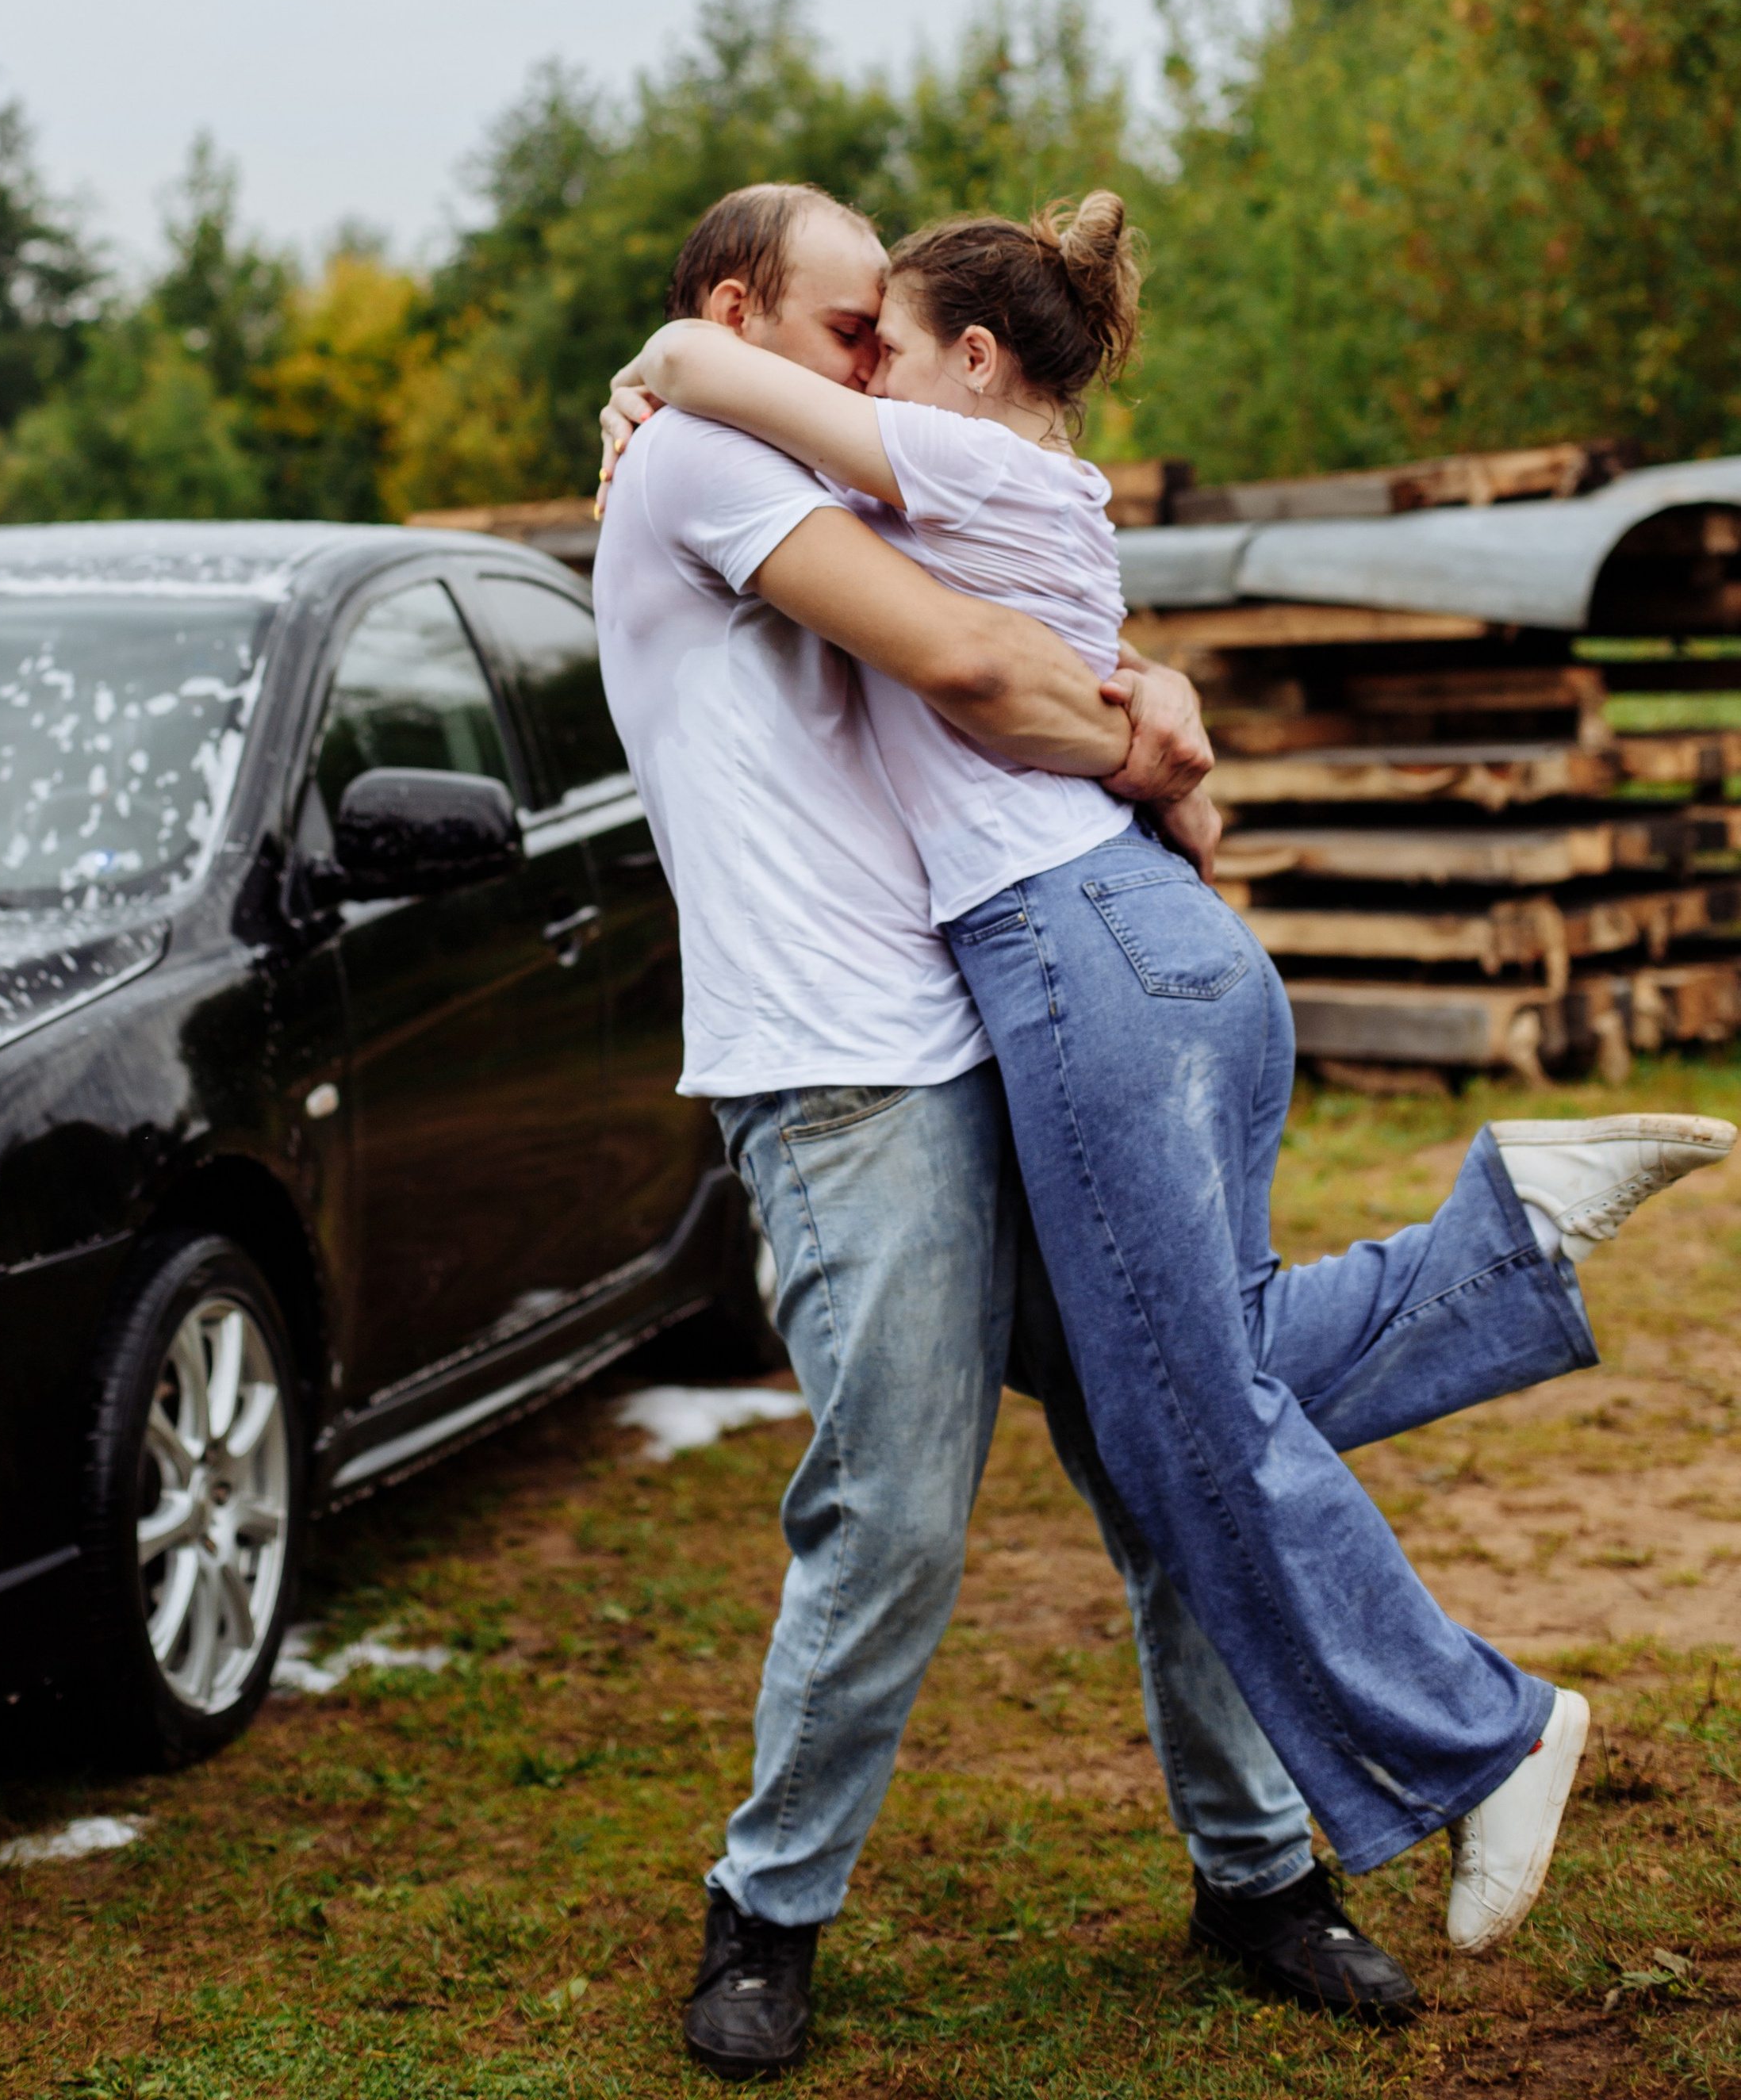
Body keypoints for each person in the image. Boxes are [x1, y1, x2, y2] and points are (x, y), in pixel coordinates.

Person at [604, 185, 1735, 2053]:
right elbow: (980, 666)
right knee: (902, 1509)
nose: (866, 363)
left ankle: (1256, 1873)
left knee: (1169, 1429)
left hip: (1008, 1006)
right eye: (841, 328)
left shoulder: (842, 455)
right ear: (733, 315)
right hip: (849, 1066)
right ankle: (768, 1907)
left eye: (884, 334)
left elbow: (1028, 606)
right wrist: (1144, 734)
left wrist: (1150, 698)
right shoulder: (698, 455)